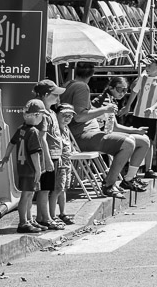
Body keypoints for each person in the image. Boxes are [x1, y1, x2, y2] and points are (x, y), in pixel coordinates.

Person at [61, 62, 148, 198]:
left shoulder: (69, 84)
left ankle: (128, 179)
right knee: (128, 143)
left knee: (142, 141)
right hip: (82, 136)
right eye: (121, 90)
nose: (123, 93)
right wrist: (105, 109)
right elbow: (79, 117)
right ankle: (109, 184)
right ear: (92, 73)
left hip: (87, 134)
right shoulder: (81, 87)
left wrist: (135, 130)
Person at [4, 99, 51, 234]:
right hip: (30, 169)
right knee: (26, 195)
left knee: (29, 195)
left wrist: (6, 156)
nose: (41, 119)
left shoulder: (21, 129)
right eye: (41, 116)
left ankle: (29, 220)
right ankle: (23, 222)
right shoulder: (34, 132)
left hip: (22, 168)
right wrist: (38, 170)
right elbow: (34, 153)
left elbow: (11, 143)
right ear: (36, 115)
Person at [30, 81, 67, 229]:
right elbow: (42, 138)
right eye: (55, 94)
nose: (58, 98)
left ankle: (43, 216)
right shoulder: (43, 114)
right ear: (45, 95)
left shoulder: (51, 112)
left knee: (48, 188)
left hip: (55, 154)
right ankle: (45, 218)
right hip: (48, 155)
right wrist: (46, 158)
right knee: (44, 189)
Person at [123, 58, 157, 176]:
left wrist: (153, 108)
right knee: (135, 141)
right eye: (146, 66)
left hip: (152, 116)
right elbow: (134, 92)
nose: (147, 68)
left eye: (149, 66)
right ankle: (133, 169)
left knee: (149, 142)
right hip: (138, 113)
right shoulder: (142, 78)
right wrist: (128, 107)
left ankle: (148, 169)